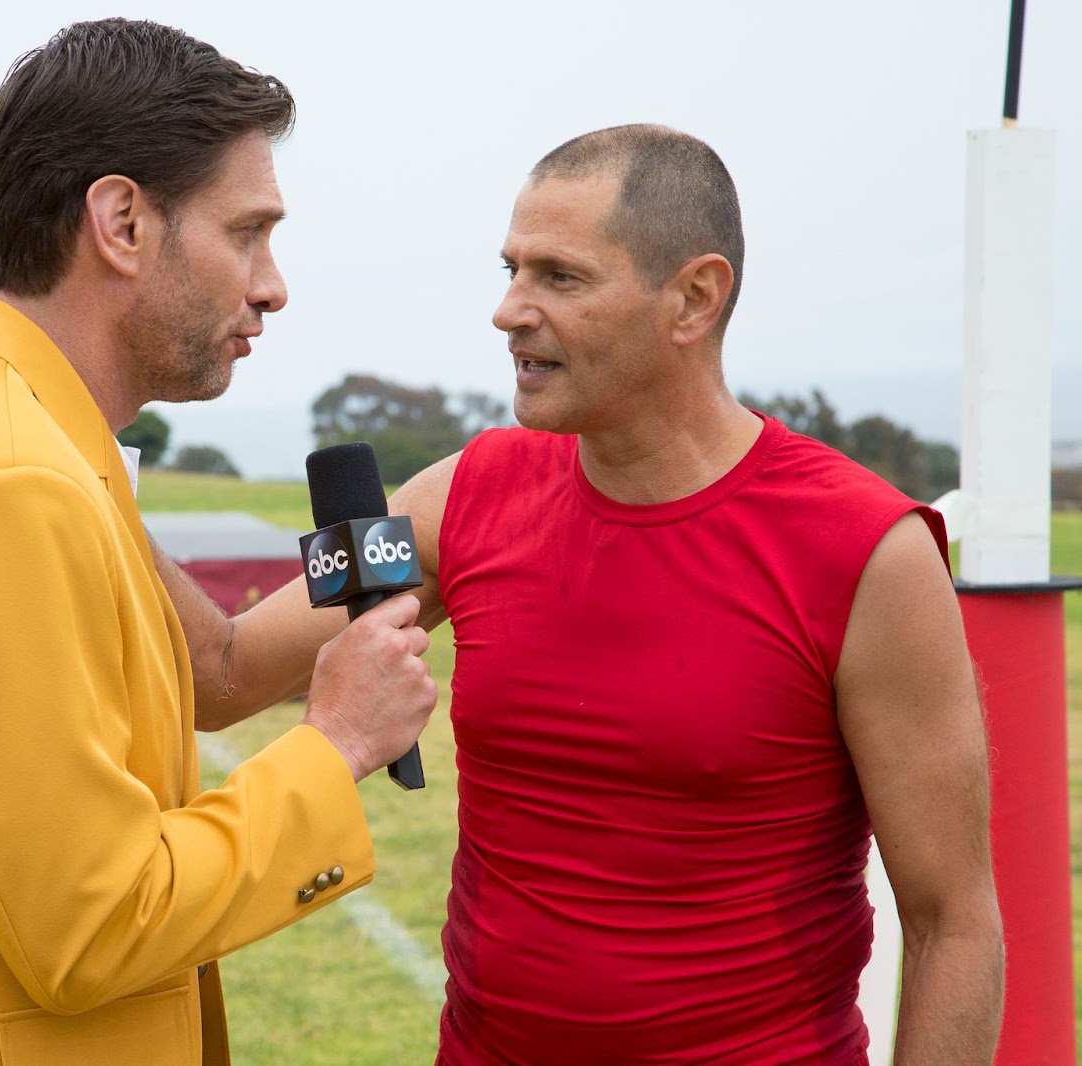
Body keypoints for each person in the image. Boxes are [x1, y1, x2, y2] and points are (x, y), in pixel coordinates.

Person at [161, 124, 1003, 1062]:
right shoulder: (462, 497)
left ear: (694, 297)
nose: (508, 310)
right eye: (511, 270)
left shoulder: (867, 551)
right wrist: (78, 450)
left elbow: (952, 924)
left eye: (559, 277)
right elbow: (223, 671)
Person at [0, 19, 437, 1065]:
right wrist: (333, 746)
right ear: (119, 221)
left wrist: (430, 519)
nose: (271, 284)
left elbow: (204, 665)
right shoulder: (9, 481)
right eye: (246, 231)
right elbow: (92, 923)